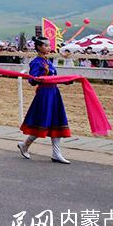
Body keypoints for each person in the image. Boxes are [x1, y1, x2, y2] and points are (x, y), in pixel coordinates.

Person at [18, 36, 72, 164]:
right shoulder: (36, 62)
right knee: (42, 122)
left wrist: (65, 81)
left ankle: (56, 153)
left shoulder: (48, 61)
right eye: (46, 45)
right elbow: (32, 80)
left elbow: (53, 77)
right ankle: (25, 145)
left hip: (54, 93)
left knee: (56, 121)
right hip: (44, 95)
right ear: (39, 47)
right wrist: (36, 79)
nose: (49, 48)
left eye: (49, 45)